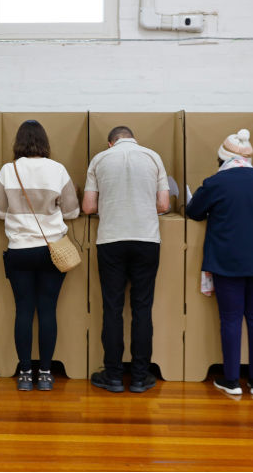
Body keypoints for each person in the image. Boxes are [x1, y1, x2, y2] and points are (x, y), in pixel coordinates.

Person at [186, 129, 253, 397]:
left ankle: (231, 381)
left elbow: (193, 211)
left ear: (222, 159)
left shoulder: (216, 182)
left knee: (230, 319)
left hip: (227, 260)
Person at [0, 120, 79, 391]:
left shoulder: (8, 171)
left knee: (24, 311)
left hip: (19, 250)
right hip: (51, 250)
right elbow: (72, 211)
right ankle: (46, 374)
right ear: (44, 142)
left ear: (18, 142)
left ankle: (25, 374)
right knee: (48, 311)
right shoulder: (57, 170)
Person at [83, 126, 170, 393]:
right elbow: (164, 205)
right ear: (135, 139)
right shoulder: (153, 157)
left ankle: (113, 376)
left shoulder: (99, 159)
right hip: (146, 239)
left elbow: (88, 207)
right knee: (142, 308)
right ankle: (141, 377)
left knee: (112, 309)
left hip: (111, 239)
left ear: (111, 143)